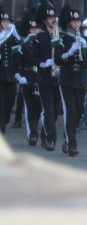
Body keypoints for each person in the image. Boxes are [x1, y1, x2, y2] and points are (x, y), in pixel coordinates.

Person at [54, 5, 87, 157]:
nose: (76, 24)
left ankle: (67, 137)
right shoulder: (62, 39)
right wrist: (70, 52)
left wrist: (85, 47)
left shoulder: (85, 38)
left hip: (81, 78)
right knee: (70, 111)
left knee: (79, 112)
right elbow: (57, 59)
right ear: (69, 23)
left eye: (78, 21)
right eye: (73, 21)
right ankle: (71, 143)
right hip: (67, 78)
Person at [30, 0, 60, 152]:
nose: (52, 20)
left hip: (57, 78)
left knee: (56, 110)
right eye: (49, 18)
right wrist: (44, 63)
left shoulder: (59, 35)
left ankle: (44, 133)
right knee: (48, 109)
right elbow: (33, 58)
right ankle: (51, 139)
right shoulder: (39, 37)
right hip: (44, 77)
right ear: (44, 20)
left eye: (53, 17)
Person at [15, 12, 42, 146]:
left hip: (40, 77)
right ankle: (32, 134)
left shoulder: (42, 44)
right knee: (29, 107)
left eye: (36, 29)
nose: (34, 31)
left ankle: (37, 130)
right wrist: (20, 77)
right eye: (31, 29)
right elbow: (17, 63)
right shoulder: (22, 44)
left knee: (38, 108)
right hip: (27, 76)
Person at [0, 8, 20, 134]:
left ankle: (5, 120)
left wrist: (17, 35)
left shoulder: (12, 37)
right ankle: (1, 126)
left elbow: (21, 51)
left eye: (8, 21)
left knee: (10, 102)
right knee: (1, 103)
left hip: (11, 75)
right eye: (3, 21)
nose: (6, 23)